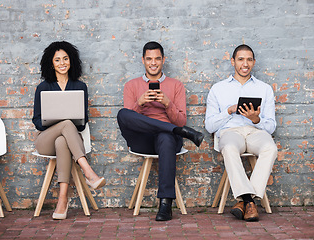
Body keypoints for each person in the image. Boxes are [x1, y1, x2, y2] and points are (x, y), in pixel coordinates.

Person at [117, 41, 204, 221]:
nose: (153, 62)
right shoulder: (131, 85)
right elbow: (129, 120)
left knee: (165, 136)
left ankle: (165, 204)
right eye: (149, 59)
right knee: (122, 114)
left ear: (163, 60)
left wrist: (167, 103)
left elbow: (181, 119)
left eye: (157, 58)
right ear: (143, 60)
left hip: (168, 141)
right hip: (143, 139)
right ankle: (184, 132)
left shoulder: (176, 85)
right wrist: (140, 103)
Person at [32, 41, 106, 220]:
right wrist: (58, 122)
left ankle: (62, 200)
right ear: (51, 63)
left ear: (71, 61)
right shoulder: (43, 87)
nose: (62, 63)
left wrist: (72, 122)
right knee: (64, 126)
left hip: (67, 141)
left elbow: (83, 123)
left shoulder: (80, 87)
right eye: (57, 60)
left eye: (65, 58)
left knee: (62, 141)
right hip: (45, 140)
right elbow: (36, 120)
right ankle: (88, 171)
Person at [205, 44, 277, 221]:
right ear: (233, 62)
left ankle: (246, 201)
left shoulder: (265, 88)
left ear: (253, 62)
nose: (245, 64)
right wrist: (228, 111)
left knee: (270, 148)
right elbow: (209, 126)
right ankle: (248, 200)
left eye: (249, 59)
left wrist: (256, 119)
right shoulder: (218, 89)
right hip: (231, 132)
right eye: (240, 59)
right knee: (229, 147)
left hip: (254, 130)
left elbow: (271, 126)